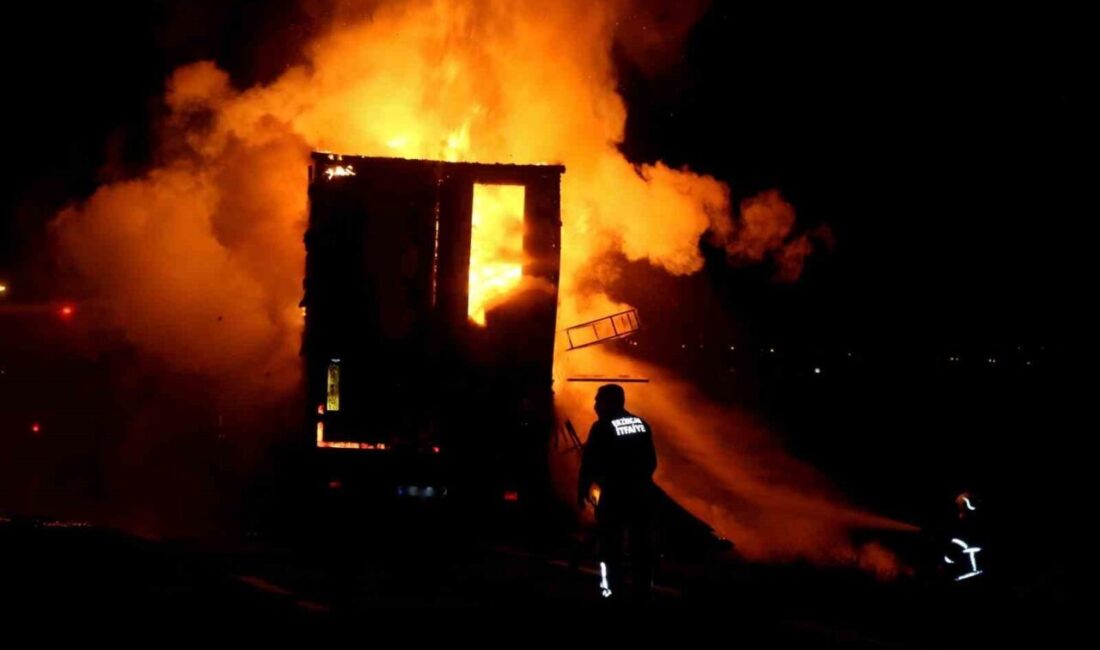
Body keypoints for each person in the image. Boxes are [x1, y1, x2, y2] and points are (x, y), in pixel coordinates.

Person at [577, 383, 658, 601]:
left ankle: (610, 591)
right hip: (642, 495)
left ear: (610, 402)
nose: (595, 405)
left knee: (609, 548)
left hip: (614, 497)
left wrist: (583, 490)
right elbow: (651, 462)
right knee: (641, 548)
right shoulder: (641, 424)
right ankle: (643, 591)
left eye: (598, 400)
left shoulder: (601, 427)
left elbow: (589, 464)